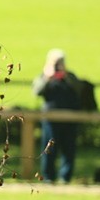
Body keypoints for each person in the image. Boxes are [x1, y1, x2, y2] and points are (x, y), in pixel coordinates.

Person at [33, 49, 83, 184]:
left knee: (69, 148)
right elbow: (37, 91)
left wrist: (65, 75)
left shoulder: (70, 76)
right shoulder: (44, 76)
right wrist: (47, 78)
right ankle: (48, 176)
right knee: (49, 149)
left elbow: (79, 89)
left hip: (69, 118)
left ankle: (65, 177)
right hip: (50, 118)